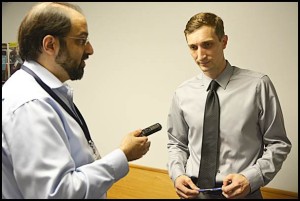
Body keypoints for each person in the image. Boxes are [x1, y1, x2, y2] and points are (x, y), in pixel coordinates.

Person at [2, 2, 151, 199]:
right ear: (50, 45)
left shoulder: (46, 93)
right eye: (81, 40)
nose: (90, 50)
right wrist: (122, 156)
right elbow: (58, 194)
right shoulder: (30, 104)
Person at [166, 12, 292, 199]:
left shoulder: (258, 85)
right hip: (194, 193)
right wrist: (177, 175)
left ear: (224, 41)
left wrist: (251, 179)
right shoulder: (182, 92)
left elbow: (278, 143)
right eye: (193, 47)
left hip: (243, 192)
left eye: (207, 44)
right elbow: (176, 144)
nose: (200, 55)